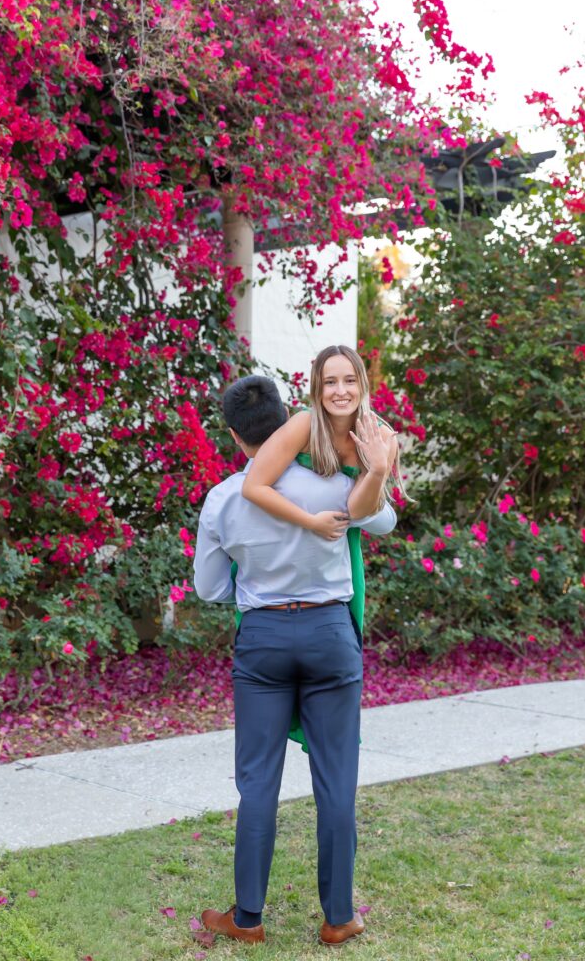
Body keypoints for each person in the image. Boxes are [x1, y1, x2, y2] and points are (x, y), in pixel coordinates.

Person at [193, 373, 397, 947]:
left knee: (257, 781)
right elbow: (385, 520)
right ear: (290, 420)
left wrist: (259, 580)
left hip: (262, 640)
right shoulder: (333, 485)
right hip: (331, 632)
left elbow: (210, 589)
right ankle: (338, 918)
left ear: (235, 436)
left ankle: (248, 919)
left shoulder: (223, 498)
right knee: (336, 780)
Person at [242, 344, 401, 535]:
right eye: (330, 382)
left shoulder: (382, 438)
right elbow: (253, 487)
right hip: (289, 532)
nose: (341, 391)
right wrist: (310, 522)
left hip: (340, 541)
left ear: (362, 386)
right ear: (318, 389)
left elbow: (357, 511)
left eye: (350, 380)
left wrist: (377, 471)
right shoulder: (304, 425)